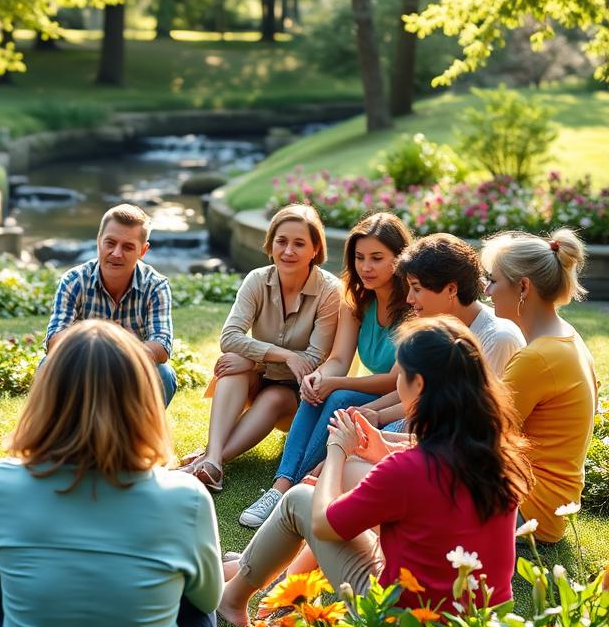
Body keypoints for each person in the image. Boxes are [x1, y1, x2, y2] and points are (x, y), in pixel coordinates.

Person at [0, 320, 223, 627]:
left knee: (1, 594)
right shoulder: (186, 497)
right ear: (144, 399)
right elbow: (207, 601)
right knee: (194, 593)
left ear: (46, 396)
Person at [218, 316, 533, 623]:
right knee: (352, 489)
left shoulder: (408, 469)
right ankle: (268, 574)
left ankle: (233, 598)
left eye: (401, 372)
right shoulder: (498, 454)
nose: (398, 380)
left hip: (404, 626)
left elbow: (325, 524)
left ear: (418, 383)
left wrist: (337, 451)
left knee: (299, 498)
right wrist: (384, 450)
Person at [239, 212, 412, 529]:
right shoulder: (356, 299)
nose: (366, 267)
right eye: (359, 257)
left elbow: (396, 380)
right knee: (319, 390)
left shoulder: (414, 306)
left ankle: (294, 488)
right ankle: (283, 487)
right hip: (373, 389)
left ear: (400, 259)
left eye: (377, 258)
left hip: (402, 399)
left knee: (338, 394)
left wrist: (333, 382)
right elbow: (339, 357)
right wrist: (320, 376)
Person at [180, 204, 342, 492]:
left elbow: (313, 361)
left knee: (272, 396)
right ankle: (213, 461)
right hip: (259, 380)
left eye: (299, 243)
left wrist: (256, 361)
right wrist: (271, 360)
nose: (288, 251)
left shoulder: (330, 291)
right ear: (270, 244)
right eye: (281, 241)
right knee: (232, 360)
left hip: (301, 394)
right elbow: (229, 337)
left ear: (315, 249)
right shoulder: (257, 279)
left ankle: (207, 459)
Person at [481, 228, 598, 543]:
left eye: (492, 280)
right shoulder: (565, 336)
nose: (487, 292)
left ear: (523, 287)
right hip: (547, 503)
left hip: (529, 509)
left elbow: (478, 437)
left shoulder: (538, 358)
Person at [352, 233, 525, 429]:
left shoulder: (497, 338)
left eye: (416, 288)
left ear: (451, 289)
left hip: (456, 442)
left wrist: (381, 422)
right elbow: (418, 392)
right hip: (426, 429)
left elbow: (466, 416)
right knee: (344, 408)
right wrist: (370, 411)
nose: (409, 299)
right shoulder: (432, 325)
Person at [44, 203, 176, 405]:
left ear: (143, 250)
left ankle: (136, 435)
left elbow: (161, 346)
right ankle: (64, 434)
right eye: (110, 243)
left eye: (128, 247)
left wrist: (116, 355)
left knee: (163, 375)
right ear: (98, 242)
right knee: (47, 366)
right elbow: (54, 339)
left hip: (132, 371)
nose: (116, 253)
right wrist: (98, 351)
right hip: (80, 368)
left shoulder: (156, 286)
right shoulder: (73, 280)